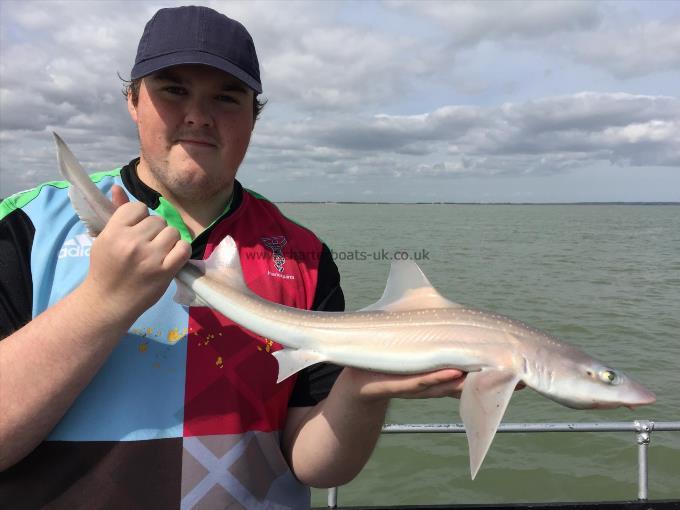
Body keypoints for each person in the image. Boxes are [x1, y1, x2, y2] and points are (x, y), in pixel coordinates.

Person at [0, 6, 465, 509]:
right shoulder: (24, 227)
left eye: (226, 97)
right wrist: (102, 301)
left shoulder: (305, 255)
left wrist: (360, 390)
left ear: (253, 117)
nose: (199, 115)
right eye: (173, 90)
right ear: (132, 100)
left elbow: (313, 464)